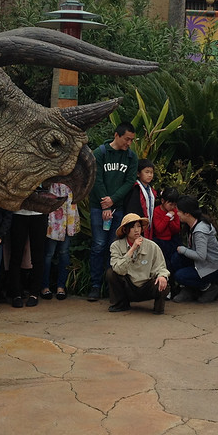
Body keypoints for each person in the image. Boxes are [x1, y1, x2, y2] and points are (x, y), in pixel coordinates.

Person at [88, 123, 138, 302]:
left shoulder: (131, 157)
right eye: (127, 139)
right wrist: (105, 204)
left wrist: (113, 200)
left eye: (132, 140)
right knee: (99, 245)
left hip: (118, 208)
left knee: (115, 246)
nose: (129, 143)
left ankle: (113, 286)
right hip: (98, 207)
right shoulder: (99, 153)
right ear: (116, 135)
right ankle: (95, 285)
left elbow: (130, 181)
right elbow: (96, 178)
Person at [106, 213, 169, 314]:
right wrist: (132, 249)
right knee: (111, 273)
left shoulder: (152, 246)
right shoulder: (116, 246)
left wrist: (162, 276)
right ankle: (121, 304)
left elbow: (161, 267)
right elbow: (118, 269)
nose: (136, 230)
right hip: (128, 286)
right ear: (125, 230)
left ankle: (158, 308)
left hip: (146, 286)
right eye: (132, 227)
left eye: (139, 226)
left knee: (163, 281)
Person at [170, 196, 218, 303]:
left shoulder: (200, 231)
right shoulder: (193, 224)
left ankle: (208, 287)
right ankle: (189, 289)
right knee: (176, 258)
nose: (177, 213)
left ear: (187, 214)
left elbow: (201, 256)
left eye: (179, 211)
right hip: (201, 262)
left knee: (180, 275)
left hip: (211, 267)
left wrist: (184, 250)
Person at [41, 183, 77, 301]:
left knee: (64, 252)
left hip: (69, 205)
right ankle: (44, 286)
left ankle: (61, 286)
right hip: (53, 205)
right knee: (48, 253)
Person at [8, 208, 46, 308]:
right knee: (16, 255)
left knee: (37, 256)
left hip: (39, 212)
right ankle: (16, 294)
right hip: (18, 212)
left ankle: (34, 294)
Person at [151, 187, 182, 274]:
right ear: (162, 201)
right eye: (170, 204)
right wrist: (167, 217)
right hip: (160, 241)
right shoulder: (157, 211)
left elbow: (176, 229)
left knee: (175, 261)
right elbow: (159, 229)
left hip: (172, 241)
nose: (172, 207)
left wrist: (171, 220)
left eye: (174, 205)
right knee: (164, 263)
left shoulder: (175, 212)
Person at [123, 158, 156, 238]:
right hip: (137, 225)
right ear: (138, 174)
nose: (150, 175)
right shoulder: (135, 189)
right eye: (147, 172)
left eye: (151, 172)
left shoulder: (152, 191)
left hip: (148, 225)